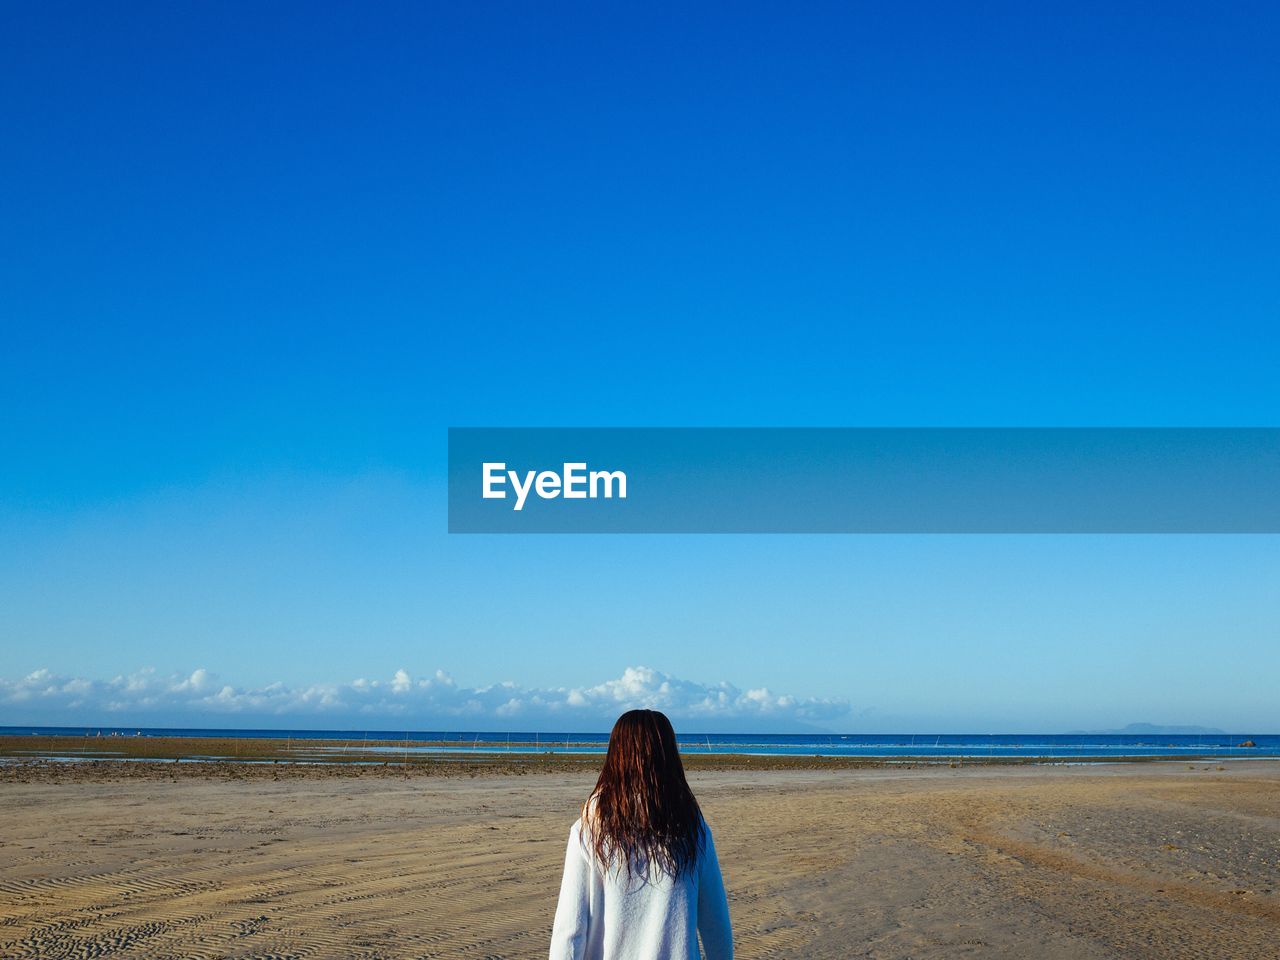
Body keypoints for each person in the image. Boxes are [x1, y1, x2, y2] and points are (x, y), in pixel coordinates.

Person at [549, 709, 733, 960]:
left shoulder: (588, 830)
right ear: (669, 758)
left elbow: (570, 931)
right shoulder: (693, 830)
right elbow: (716, 926)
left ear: (615, 756)